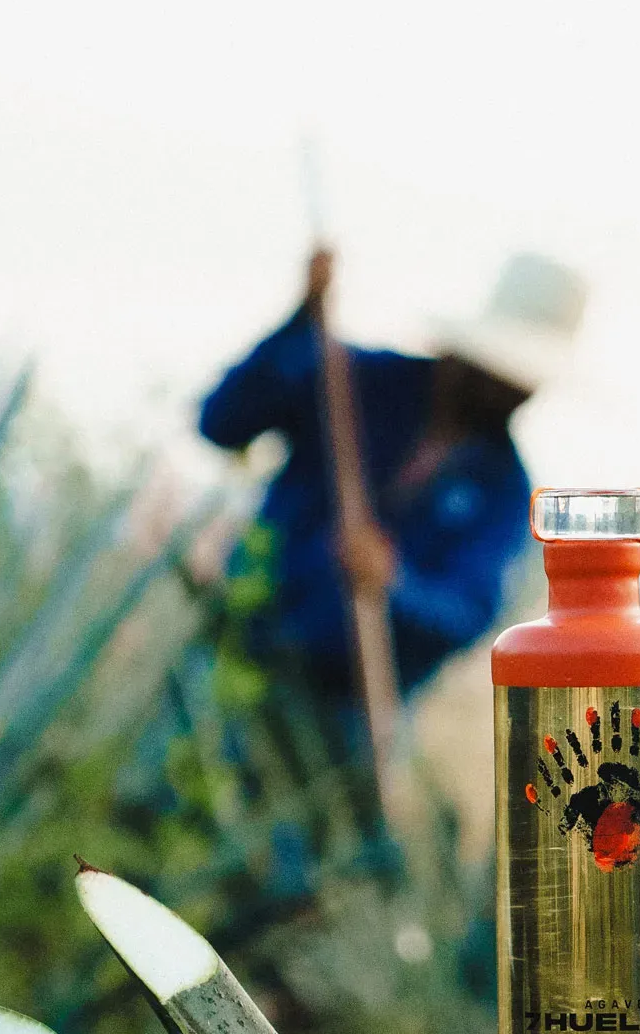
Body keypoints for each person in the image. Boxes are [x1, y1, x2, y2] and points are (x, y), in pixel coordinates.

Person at [199, 248, 586, 700]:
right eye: (503, 369)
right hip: (234, 639)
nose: (510, 389)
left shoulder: (506, 494)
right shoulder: (355, 382)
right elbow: (221, 422)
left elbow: (466, 614)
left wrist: (392, 582)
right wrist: (300, 322)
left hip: (338, 710)